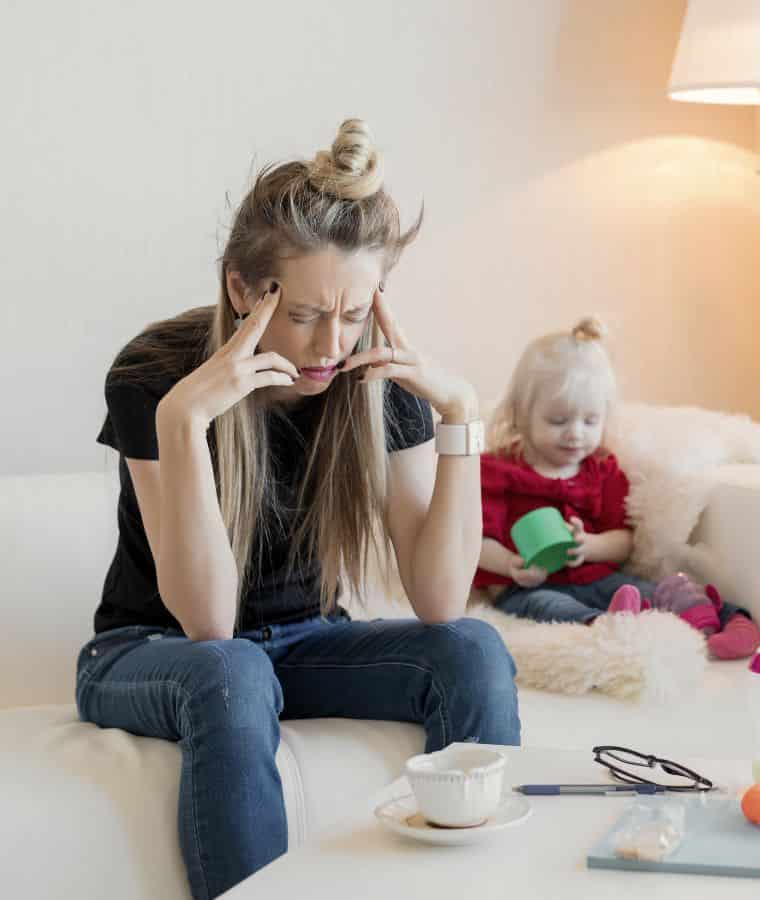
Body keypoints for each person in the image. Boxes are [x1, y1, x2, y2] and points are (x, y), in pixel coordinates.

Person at [76, 119, 519, 899]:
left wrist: (461, 416)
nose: (330, 347)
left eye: (353, 316)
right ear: (243, 288)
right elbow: (208, 625)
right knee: (234, 668)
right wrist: (184, 424)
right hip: (149, 651)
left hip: (307, 640)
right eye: (308, 314)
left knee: (473, 650)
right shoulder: (155, 375)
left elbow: (441, 599)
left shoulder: (373, 381)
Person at [474, 316, 760, 659]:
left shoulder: (602, 471)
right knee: (543, 606)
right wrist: (510, 564)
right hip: (532, 585)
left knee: (655, 589)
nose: (575, 433)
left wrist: (590, 545)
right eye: (558, 421)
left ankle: (730, 619)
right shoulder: (497, 471)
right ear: (521, 415)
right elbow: (476, 540)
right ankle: (606, 623)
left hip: (599, 579)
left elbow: (624, 542)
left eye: (590, 421)